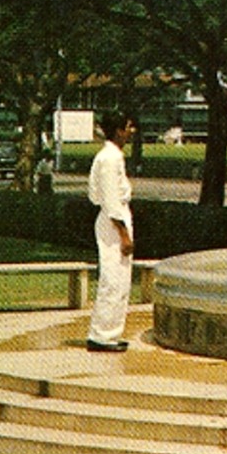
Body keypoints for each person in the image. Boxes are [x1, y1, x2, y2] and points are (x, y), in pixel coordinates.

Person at [86, 113, 137, 352]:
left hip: (116, 218)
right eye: (128, 127)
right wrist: (123, 234)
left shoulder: (114, 156)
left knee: (121, 279)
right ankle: (101, 335)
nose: (131, 131)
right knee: (112, 279)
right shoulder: (109, 159)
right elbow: (109, 199)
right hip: (112, 221)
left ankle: (111, 332)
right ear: (118, 131)